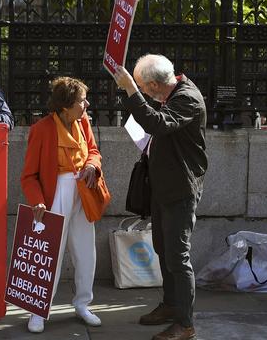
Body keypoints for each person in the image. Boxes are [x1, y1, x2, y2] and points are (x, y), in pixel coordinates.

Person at [113, 54, 207, 340]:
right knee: (163, 249)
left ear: (154, 85)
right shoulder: (169, 93)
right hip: (163, 185)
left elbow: (158, 124)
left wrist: (130, 89)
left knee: (178, 256)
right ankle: (170, 305)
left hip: (180, 188)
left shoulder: (187, 98)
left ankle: (185, 323)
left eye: (142, 86)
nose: (141, 91)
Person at [20, 77, 104, 333]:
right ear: (66, 106)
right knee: (48, 255)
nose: (86, 104)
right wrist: (38, 202)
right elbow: (28, 175)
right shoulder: (42, 129)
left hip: (83, 191)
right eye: (81, 100)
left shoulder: (83, 121)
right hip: (56, 194)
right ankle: (37, 310)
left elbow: (93, 151)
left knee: (85, 252)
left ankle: (83, 304)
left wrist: (92, 165)